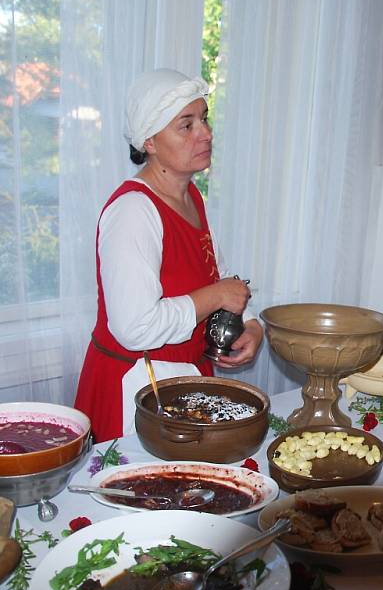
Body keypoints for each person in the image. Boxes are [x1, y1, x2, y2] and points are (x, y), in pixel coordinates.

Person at [75, 68, 263, 443]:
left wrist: (251, 324)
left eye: (204, 120)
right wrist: (212, 297)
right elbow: (134, 328)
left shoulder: (191, 197)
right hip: (135, 392)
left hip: (184, 384)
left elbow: (219, 276)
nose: (206, 133)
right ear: (150, 141)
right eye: (186, 125)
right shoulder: (134, 211)